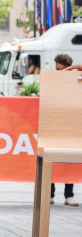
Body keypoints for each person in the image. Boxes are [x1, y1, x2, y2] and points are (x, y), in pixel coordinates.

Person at [50, 53, 78, 206]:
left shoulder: (77, 81)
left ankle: (69, 195)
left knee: (69, 161)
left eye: (63, 70)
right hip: (55, 126)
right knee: (51, 159)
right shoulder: (53, 81)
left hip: (71, 128)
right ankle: (50, 194)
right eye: (57, 69)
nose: (59, 72)